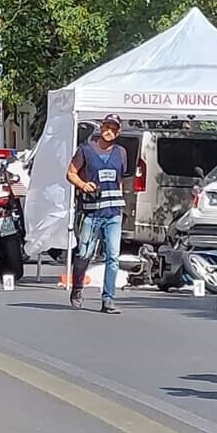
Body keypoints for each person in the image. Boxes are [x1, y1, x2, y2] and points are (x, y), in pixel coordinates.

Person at [66, 114, 129, 314]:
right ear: (101, 128)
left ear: (118, 132)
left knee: (113, 256)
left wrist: (121, 206)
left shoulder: (121, 153)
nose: (110, 131)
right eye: (107, 127)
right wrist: (83, 185)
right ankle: (77, 288)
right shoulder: (86, 150)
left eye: (114, 128)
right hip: (92, 212)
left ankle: (108, 299)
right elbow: (71, 173)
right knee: (84, 253)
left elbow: (119, 180)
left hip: (113, 213)